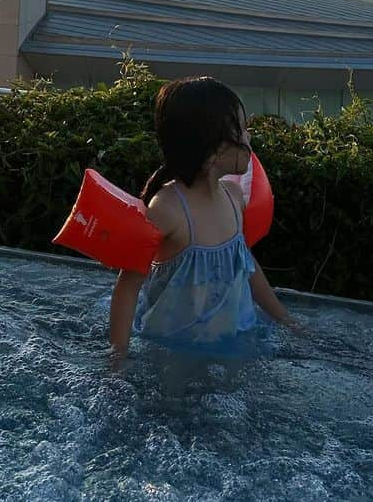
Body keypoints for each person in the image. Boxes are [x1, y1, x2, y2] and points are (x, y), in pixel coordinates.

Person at [109, 76, 297, 361]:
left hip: (233, 342)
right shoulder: (168, 209)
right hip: (172, 351)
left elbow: (245, 264)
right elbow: (128, 285)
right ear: (213, 148)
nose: (249, 138)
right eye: (243, 130)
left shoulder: (234, 197)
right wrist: (117, 358)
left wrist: (285, 320)